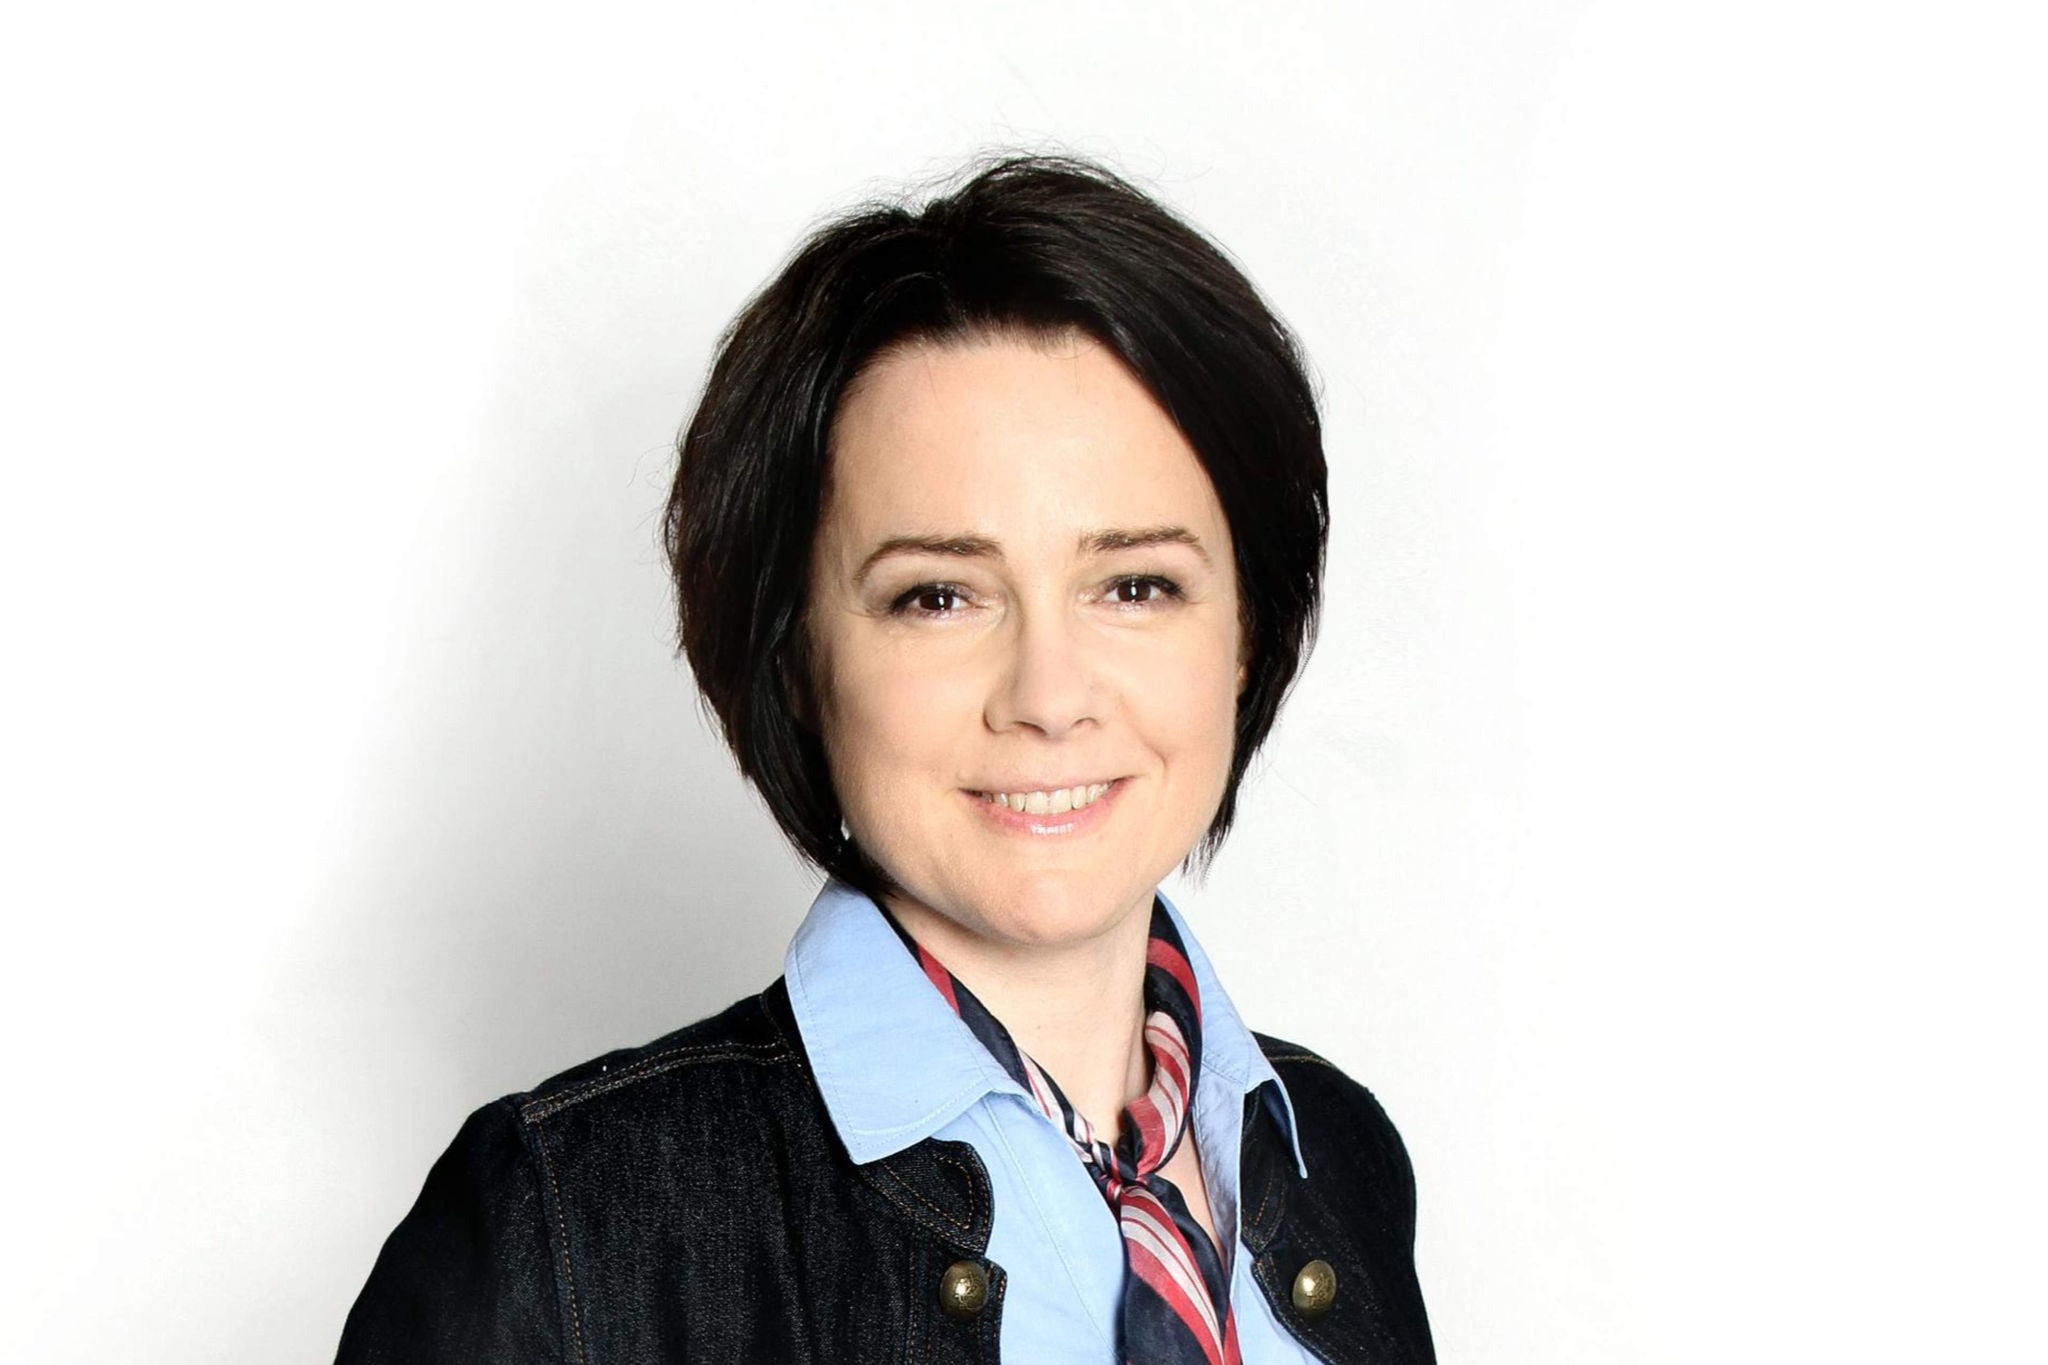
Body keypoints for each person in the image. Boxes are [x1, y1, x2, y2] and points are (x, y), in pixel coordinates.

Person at [336, 154, 1434, 1364]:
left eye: (1135, 585)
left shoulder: (1340, 1157)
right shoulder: (564, 1227)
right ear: (796, 659)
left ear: (1245, 633)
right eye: (937, 597)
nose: (1048, 698)